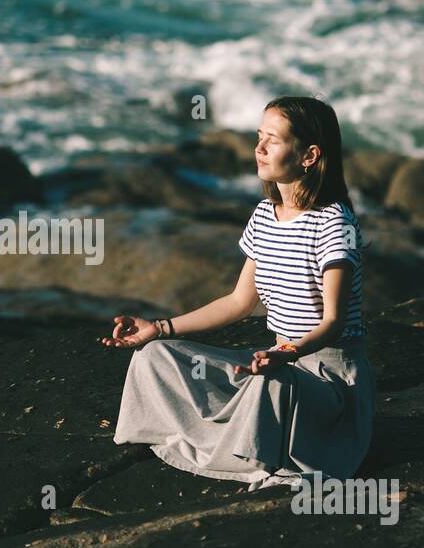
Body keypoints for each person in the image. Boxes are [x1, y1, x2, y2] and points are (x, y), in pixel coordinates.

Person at [100, 96, 375, 490]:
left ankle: (264, 452)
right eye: (258, 137)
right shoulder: (265, 214)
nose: (259, 149)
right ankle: (237, 440)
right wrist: (158, 328)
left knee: (271, 385)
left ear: (310, 155)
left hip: (327, 383)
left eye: (273, 140)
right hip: (274, 363)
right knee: (155, 355)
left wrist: (283, 355)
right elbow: (239, 302)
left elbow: (332, 322)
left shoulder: (334, 225)